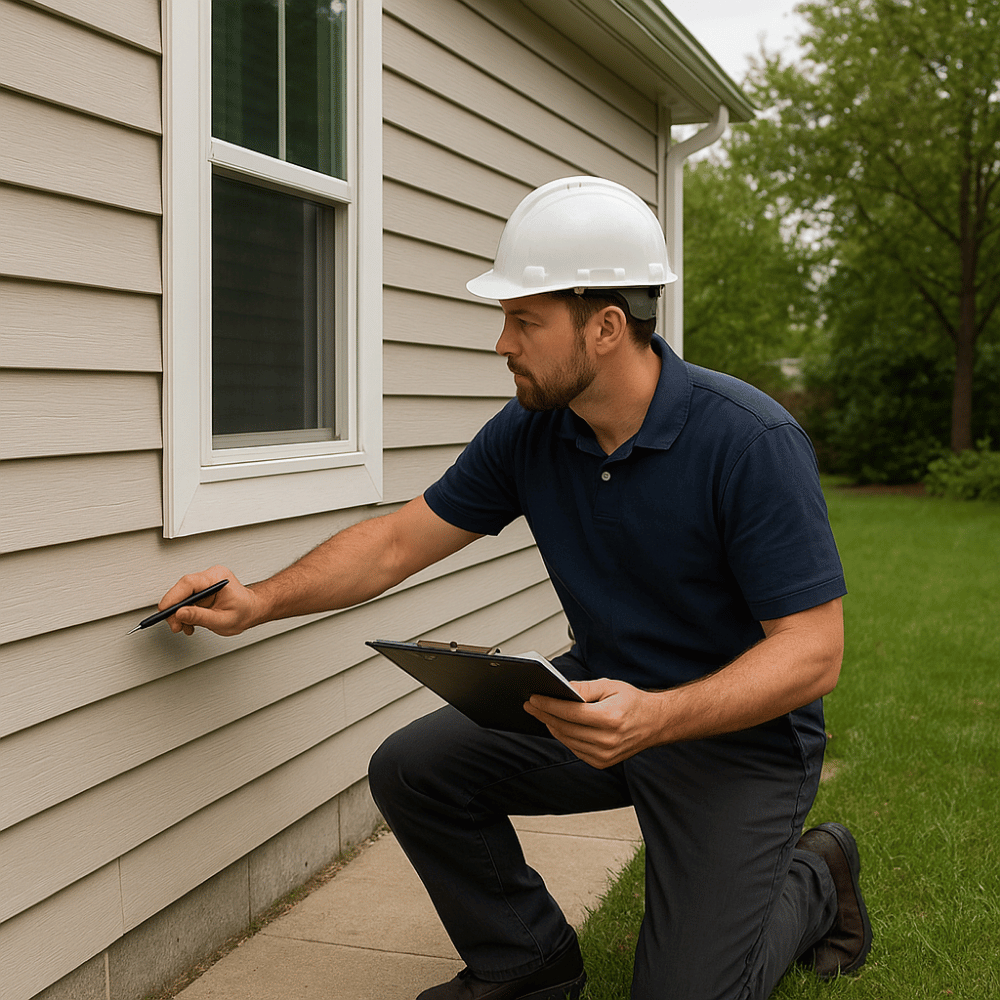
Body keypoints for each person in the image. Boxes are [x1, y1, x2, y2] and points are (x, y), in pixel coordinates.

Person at [159, 176, 871, 1000]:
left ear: (606, 326)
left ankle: (816, 876)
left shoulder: (749, 442)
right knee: (415, 767)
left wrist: (658, 716)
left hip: (735, 742)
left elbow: (814, 654)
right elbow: (395, 543)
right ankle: (526, 964)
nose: (503, 343)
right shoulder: (533, 431)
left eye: (524, 320)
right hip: (594, 706)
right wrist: (258, 600)